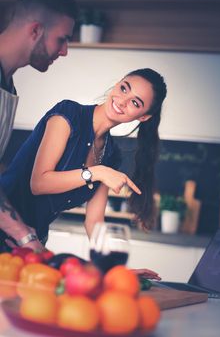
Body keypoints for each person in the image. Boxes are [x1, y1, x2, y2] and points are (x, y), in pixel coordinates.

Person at [0, 68, 167, 256]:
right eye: (124, 88)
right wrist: (97, 172)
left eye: (135, 102)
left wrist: (112, 268)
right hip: (6, 227)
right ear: (117, 83)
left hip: (32, 242)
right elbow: (38, 183)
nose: (122, 101)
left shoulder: (111, 155)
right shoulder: (68, 114)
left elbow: (94, 222)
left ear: (143, 117)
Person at [0, 0, 77, 251]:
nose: (65, 51)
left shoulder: (7, 83)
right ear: (35, 31)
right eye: (61, 39)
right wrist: (24, 235)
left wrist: (25, 233)